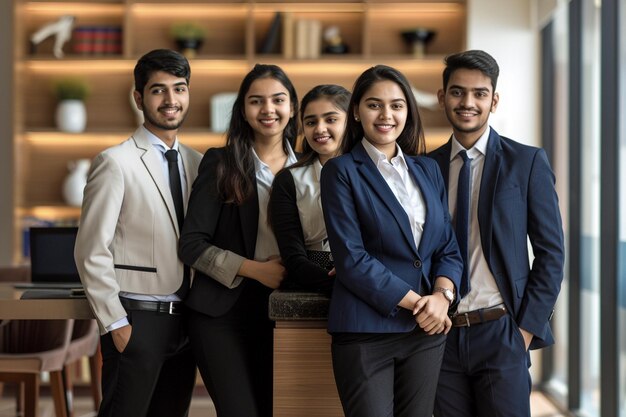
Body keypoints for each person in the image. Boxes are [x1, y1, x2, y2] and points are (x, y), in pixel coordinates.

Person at [319, 64, 463, 417]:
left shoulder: (427, 169)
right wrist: (421, 304)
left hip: (424, 334)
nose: (387, 115)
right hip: (366, 331)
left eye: (397, 105)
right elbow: (351, 259)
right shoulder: (340, 172)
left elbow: (447, 248)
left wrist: (443, 297)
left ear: (408, 112)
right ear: (356, 111)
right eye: (374, 104)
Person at [428, 50, 565, 417]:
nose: (467, 102)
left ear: (494, 100)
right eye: (457, 92)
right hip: (440, 335)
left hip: (501, 329)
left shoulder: (527, 163)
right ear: (442, 97)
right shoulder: (424, 168)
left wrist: (524, 331)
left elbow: (551, 254)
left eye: (479, 93)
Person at [74, 49, 202, 417]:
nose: (171, 100)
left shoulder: (198, 163)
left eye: (179, 89)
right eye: (158, 90)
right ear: (139, 98)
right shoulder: (115, 162)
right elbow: (90, 250)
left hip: (187, 322)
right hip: (137, 319)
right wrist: (116, 324)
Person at [178, 63, 298, 417]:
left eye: (278, 100)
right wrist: (256, 270)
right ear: (243, 110)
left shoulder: (311, 167)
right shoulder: (221, 163)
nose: (268, 110)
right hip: (220, 313)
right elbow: (191, 244)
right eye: (256, 101)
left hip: (286, 311)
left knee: (277, 409)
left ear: (292, 106)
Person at [269, 84, 350, 293]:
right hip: (310, 284)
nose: (320, 129)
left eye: (331, 119)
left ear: (351, 121)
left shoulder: (373, 173)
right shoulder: (288, 180)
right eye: (311, 122)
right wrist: (344, 287)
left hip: (374, 283)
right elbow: (293, 258)